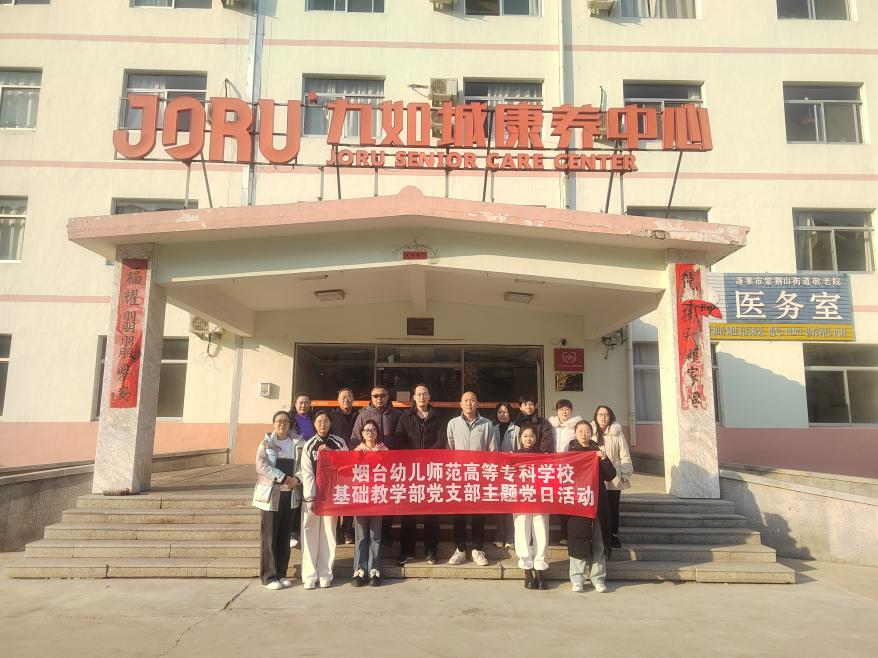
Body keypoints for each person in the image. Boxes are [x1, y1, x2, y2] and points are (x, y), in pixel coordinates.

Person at [393, 384, 447, 565]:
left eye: (425, 394)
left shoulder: (439, 417)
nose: (422, 397)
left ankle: (431, 550)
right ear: (414, 398)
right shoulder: (405, 417)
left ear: (429, 397)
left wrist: (427, 456)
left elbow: (442, 440)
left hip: (432, 469)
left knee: (432, 512)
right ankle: (407, 551)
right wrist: (414, 457)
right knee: (409, 512)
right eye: (419, 394)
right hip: (410, 470)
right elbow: (399, 439)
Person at [445, 391, 498, 566]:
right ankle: (460, 549)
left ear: (477, 403)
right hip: (458, 475)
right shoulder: (453, 423)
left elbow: (492, 450)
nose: (469, 403)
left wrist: (490, 474)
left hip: (479, 475)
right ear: (460, 404)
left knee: (478, 513)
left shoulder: (487, 424)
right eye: (466, 400)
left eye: (472, 400)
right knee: (458, 513)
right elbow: (449, 450)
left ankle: (477, 549)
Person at [300, 410, 349, 589]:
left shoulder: (339, 442)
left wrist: (331, 454)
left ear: (330, 423)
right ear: (314, 424)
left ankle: (325, 574)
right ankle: (309, 575)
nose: (323, 424)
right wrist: (310, 497)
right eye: (319, 421)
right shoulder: (309, 445)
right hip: (313, 497)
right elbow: (307, 473)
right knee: (309, 534)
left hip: (332, 496)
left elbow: (347, 465)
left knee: (329, 533)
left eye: (326, 421)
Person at [253, 410, 301, 590]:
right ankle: (269, 576)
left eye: (285, 421)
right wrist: (283, 477)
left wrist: (297, 479)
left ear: (290, 424)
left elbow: (303, 465)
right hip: (271, 495)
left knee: (284, 536)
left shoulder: (298, 443)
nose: (282, 424)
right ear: (273, 423)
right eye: (279, 421)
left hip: (290, 494)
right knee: (270, 537)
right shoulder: (266, 443)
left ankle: (281, 574)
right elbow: (261, 465)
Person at [567, 420, 616, 593]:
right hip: (577, 503)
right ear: (575, 433)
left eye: (587, 431)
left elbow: (610, 475)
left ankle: (598, 578)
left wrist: (604, 459)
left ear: (591, 433)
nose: (584, 434)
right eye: (580, 431)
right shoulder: (569, 453)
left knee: (598, 541)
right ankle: (577, 579)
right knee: (578, 540)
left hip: (597, 502)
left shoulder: (598, 452)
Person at [512, 423, 550, 590]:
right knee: (522, 531)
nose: (529, 439)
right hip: (520, 499)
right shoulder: (513, 456)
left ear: (537, 438)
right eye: (525, 436)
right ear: (520, 438)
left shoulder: (544, 456)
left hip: (540, 499)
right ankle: (527, 569)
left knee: (541, 531)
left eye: (532, 436)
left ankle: (540, 568)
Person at [351, 419, 388, 587]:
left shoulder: (385, 450)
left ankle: (374, 569)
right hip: (360, 498)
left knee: (375, 535)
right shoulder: (356, 451)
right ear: (362, 433)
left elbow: (393, 469)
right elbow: (348, 471)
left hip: (378, 497)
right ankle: (359, 570)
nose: (370, 432)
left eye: (373, 430)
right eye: (366, 430)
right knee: (360, 536)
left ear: (377, 433)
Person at [591, 405, 634, 548]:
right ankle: (600, 536)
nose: (603, 417)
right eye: (600, 414)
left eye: (606, 414)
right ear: (596, 417)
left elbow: (624, 454)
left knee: (613, 507)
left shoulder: (617, 433)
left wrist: (625, 472)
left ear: (610, 417)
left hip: (614, 475)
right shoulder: (591, 432)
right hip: (596, 476)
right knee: (599, 508)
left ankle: (614, 535)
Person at [549, 399, 583, 545]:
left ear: (571, 411)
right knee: (557, 501)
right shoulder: (551, 426)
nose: (564, 412)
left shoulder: (577, 427)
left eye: (567, 409)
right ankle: (560, 533)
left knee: (568, 500)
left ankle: (567, 534)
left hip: (570, 469)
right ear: (557, 411)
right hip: (553, 469)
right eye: (561, 409)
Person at [331, 387, 360, 545]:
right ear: (338, 400)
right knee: (338, 494)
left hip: (355, 459)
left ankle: (347, 530)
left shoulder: (359, 415)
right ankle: (336, 530)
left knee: (350, 495)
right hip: (337, 461)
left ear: (353, 399)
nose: (346, 399)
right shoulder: (332, 416)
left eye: (349, 396)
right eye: (343, 397)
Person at [493, 401, 519, 549]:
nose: (503, 415)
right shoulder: (492, 428)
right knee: (498, 506)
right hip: (495, 472)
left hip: (511, 473)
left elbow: (520, 452)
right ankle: (500, 536)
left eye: (505, 412)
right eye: (500, 412)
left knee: (510, 506)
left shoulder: (517, 430)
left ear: (510, 413)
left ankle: (510, 537)